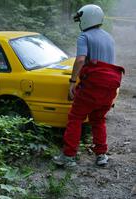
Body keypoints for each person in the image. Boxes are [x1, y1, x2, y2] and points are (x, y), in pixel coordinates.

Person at [53, 4, 125, 167]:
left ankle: (69, 156)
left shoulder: (84, 36)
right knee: (98, 120)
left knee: (75, 118)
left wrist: (72, 82)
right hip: (110, 86)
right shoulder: (109, 37)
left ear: (86, 18)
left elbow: (80, 60)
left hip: (93, 85)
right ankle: (101, 155)